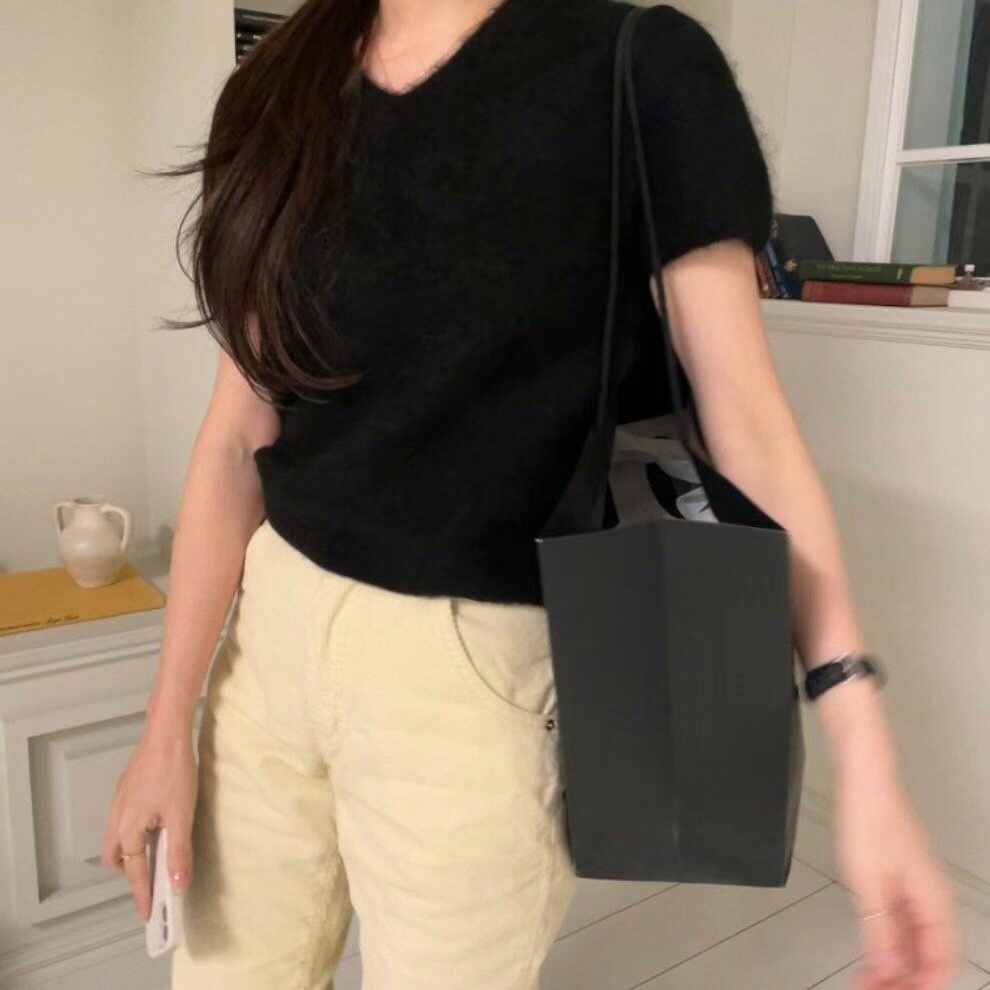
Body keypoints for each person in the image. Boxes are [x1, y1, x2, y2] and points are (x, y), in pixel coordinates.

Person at [101, 0, 960, 987]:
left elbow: (749, 431)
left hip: (471, 681)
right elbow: (235, 435)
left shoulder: (640, 67)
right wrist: (164, 725)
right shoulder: (272, 91)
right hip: (265, 647)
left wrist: (861, 749)